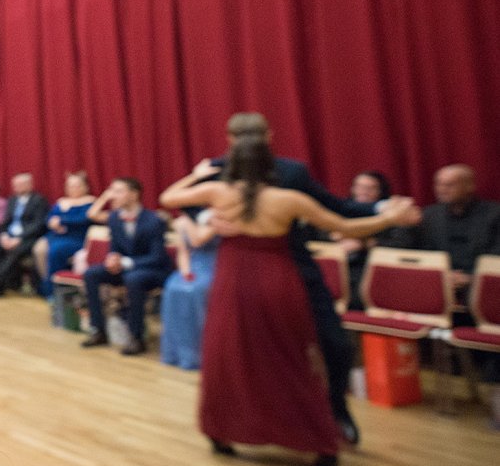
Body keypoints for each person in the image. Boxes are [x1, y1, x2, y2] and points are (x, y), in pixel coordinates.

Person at [161, 139, 415, 466]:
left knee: (230, 355)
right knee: (290, 357)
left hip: (234, 281)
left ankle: (223, 432)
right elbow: (346, 226)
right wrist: (390, 218)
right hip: (278, 278)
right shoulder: (289, 199)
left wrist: (196, 175)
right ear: (270, 166)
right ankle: (319, 442)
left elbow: (168, 198)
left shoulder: (218, 192)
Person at [204, 113, 400, 447]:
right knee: (237, 351)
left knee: (336, 344)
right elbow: (190, 206)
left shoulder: (292, 172)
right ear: (229, 139)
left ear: (270, 136)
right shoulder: (215, 170)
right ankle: (238, 423)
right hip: (239, 274)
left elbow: (337, 208)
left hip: (293, 267)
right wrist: (209, 217)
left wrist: (383, 209)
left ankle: (337, 410)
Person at [79, 178, 170, 355]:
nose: (113, 195)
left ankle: (136, 337)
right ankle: (98, 330)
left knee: (133, 279)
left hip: (152, 270)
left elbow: (157, 257)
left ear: (134, 195)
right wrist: (112, 258)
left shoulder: (154, 220)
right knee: (91, 274)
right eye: (113, 191)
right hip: (126, 269)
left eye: (119, 191)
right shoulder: (114, 218)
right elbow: (115, 247)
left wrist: (125, 262)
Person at [381, 164, 500, 293]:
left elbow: (496, 255)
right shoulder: (427, 215)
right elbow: (403, 248)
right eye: (439, 184)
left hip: (484, 287)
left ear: (469, 186)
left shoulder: (494, 215)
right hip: (433, 286)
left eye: (450, 185)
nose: (442, 190)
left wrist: (471, 278)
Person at [159, 208, 219, 371]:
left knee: (196, 290)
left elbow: (197, 241)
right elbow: (183, 252)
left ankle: (200, 353)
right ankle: (177, 353)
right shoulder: (182, 222)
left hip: (214, 265)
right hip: (192, 265)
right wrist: (185, 272)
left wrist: (187, 222)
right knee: (173, 287)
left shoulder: (215, 217)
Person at [0, 173, 49, 297]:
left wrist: (20, 238)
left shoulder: (39, 200)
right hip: (10, 235)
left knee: (15, 252)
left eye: (19, 185)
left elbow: (38, 224)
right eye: (15, 185)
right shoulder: (12, 200)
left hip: (28, 238)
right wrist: (3, 235)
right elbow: (6, 221)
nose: (16, 187)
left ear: (29, 185)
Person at [334, 169, 391, 309]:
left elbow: (398, 243)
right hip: (339, 264)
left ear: (380, 192)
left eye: (370, 188)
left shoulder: (390, 214)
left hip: (371, 268)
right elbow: (324, 235)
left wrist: (364, 244)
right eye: (359, 187)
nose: (364, 192)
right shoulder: (340, 209)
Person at [34, 171, 96, 293]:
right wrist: (51, 223)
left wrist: (62, 221)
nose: (73, 189)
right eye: (70, 186)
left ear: (85, 187)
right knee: (39, 249)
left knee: (55, 251)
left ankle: (53, 289)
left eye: (76, 185)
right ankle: (46, 282)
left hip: (75, 237)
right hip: (54, 235)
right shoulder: (61, 201)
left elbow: (83, 219)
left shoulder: (90, 201)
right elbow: (49, 217)